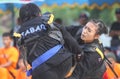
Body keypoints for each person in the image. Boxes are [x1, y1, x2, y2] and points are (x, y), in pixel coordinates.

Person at [16, 3, 72, 79]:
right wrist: (78, 52)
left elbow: (26, 55)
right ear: (38, 14)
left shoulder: (20, 33)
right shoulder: (46, 22)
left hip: (43, 69)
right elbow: (66, 35)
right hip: (64, 60)